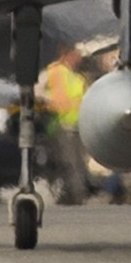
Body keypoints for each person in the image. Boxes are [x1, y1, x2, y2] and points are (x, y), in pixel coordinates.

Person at [42, 43, 90, 204]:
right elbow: (52, 98)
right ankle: (75, 197)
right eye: (77, 54)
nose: (80, 57)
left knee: (78, 164)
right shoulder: (55, 71)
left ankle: (73, 195)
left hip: (77, 127)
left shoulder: (77, 76)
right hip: (62, 125)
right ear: (67, 54)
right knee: (69, 164)